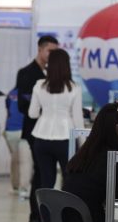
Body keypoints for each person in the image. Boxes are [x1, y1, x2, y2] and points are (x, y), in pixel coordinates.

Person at [16, 35, 59, 222]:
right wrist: (47, 110)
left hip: (55, 131)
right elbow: (23, 106)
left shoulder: (56, 74)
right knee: (40, 173)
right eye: (50, 50)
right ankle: (37, 216)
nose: (52, 55)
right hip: (35, 131)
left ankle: (43, 216)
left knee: (46, 174)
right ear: (40, 49)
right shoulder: (26, 73)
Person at [29, 48, 83, 194]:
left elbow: (32, 114)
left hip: (41, 137)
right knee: (69, 180)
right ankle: (66, 216)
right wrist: (83, 144)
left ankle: (44, 216)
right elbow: (78, 120)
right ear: (67, 65)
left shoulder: (39, 85)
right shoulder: (75, 88)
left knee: (46, 181)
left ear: (49, 64)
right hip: (66, 139)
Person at [3, 87, 32, 197]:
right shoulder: (30, 93)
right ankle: (24, 188)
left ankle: (15, 185)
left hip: (10, 130)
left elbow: (9, 111)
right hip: (25, 129)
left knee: (15, 159)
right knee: (25, 161)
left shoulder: (11, 93)